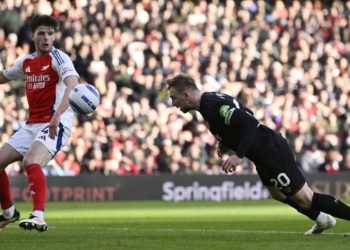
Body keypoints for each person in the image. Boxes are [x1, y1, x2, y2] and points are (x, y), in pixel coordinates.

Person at [166, 73, 350, 235]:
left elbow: (249, 122)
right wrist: (225, 142)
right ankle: (321, 219)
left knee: (306, 198)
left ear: (186, 95)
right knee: (278, 194)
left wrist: (238, 155)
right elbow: (246, 112)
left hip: (270, 150)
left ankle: (329, 217)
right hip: (261, 154)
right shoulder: (210, 100)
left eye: (174, 98)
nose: (173, 104)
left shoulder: (211, 106)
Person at [0, 15, 79, 232]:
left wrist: (57, 116)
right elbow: (3, 77)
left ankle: (38, 216)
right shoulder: (27, 62)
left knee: (30, 160)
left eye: (50, 33)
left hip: (57, 122)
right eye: (42, 33)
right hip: (31, 124)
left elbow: (73, 84)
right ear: (32, 35)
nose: (46, 38)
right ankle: (8, 212)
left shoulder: (59, 58)